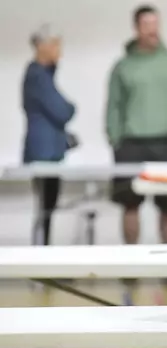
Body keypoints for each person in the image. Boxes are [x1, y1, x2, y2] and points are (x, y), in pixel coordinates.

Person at [106, 5, 167, 244]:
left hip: (166, 142)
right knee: (130, 205)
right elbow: (114, 106)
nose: (152, 30)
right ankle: (130, 266)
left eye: (155, 24)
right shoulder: (123, 66)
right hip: (131, 143)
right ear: (136, 28)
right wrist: (115, 139)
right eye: (146, 25)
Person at [22, 24, 76, 245]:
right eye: (55, 45)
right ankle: (40, 258)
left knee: (47, 209)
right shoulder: (37, 76)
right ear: (42, 46)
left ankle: (43, 255)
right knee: (45, 210)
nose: (59, 52)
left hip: (50, 152)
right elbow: (62, 110)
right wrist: (71, 108)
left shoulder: (43, 75)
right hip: (43, 153)